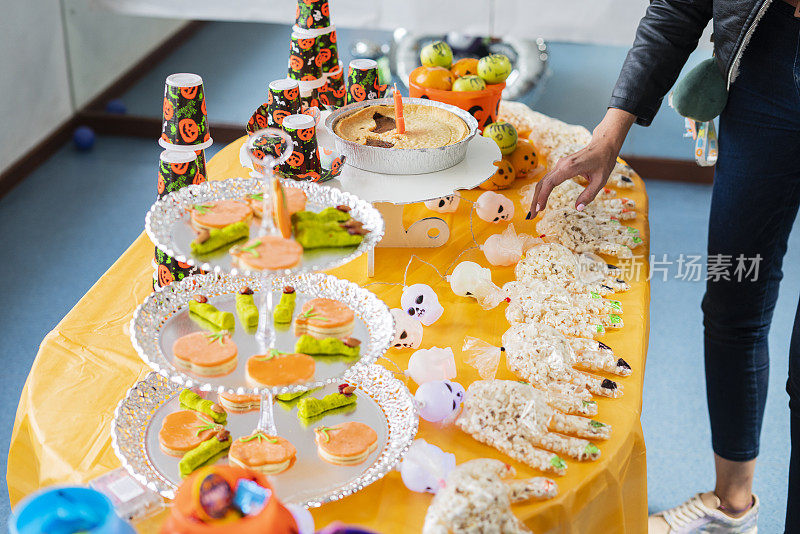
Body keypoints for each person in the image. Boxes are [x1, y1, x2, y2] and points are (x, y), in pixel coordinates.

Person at [528, 0, 800, 532]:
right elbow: (679, 6)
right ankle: (732, 504)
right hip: (765, 70)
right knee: (733, 298)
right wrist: (609, 132)